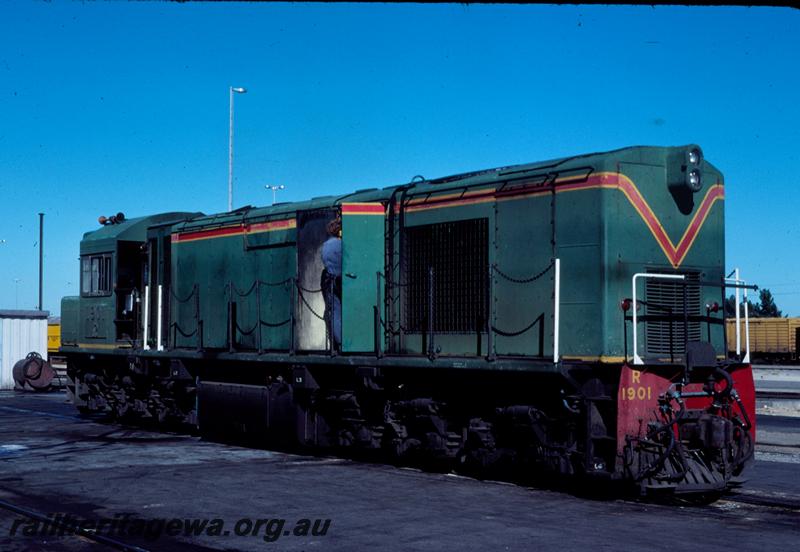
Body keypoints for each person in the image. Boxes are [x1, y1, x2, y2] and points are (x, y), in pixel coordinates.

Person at [321, 216, 342, 348]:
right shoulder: (343, 244)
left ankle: (340, 342)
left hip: (331, 281)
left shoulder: (325, 246)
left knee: (335, 311)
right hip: (344, 280)